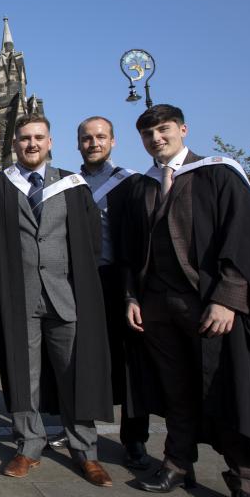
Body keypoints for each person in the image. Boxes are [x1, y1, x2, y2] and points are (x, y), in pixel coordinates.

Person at [123, 104, 250, 497]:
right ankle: (177, 462)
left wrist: (228, 299)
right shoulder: (143, 186)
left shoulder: (219, 173)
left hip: (208, 303)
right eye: (148, 133)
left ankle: (244, 485)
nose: (157, 139)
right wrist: (132, 296)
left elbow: (243, 236)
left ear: (182, 129)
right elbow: (130, 249)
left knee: (227, 388)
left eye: (163, 130)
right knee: (175, 388)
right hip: (157, 305)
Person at [0, 113, 114, 487]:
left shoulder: (73, 186)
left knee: (75, 375)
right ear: (14, 144)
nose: (32, 144)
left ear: (50, 142)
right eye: (24, 138)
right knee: (25, 376)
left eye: (39, 137)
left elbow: (90, 244)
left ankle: (86, 452)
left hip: (65, 297)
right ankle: (29, 446)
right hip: (19, 296)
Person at [76, 115, 160, 471]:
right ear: (78, 143)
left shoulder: (133, 184)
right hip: (81, 282)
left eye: (100, 137)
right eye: (86, 138)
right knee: (83, 360)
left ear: (112, 141)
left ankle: (134, 439)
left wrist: (136, 291)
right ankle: (81, 431)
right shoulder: (70, 183)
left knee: (130, 364)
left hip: (120, 281)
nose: (93, 143)